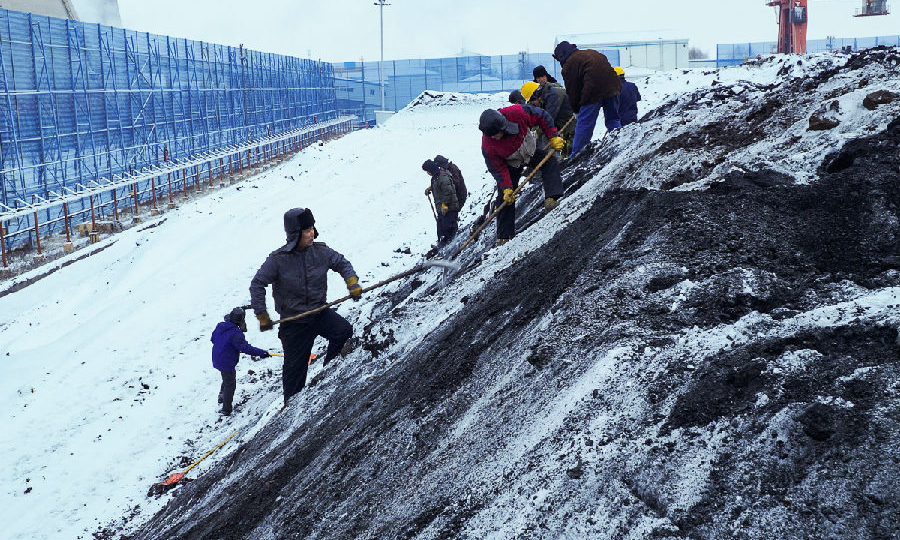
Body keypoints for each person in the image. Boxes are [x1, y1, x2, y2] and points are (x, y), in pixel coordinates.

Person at [250, 207, 362, 408]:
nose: (312, 233)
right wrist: (262, 315)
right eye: (307, 230)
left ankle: (328, 374)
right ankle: (291, 411)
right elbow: (257, 284)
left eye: (312, 228)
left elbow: (342, 263)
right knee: (294, 375)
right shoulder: (278, 260)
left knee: (343, 331)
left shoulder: (321, 252)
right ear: (295, 234)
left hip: (319, 313)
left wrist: (352, 282)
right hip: (294, 324)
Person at [478, 104, 566, 245]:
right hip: (511, 163)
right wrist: (507, 187)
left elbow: (542, 116)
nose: (494, 138)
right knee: (505, 197)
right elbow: (498, 168)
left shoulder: (517, 113)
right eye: (491, 136)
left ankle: (552, 199)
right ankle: (504, 236)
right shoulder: (488, 146)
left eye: (496, 134)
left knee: (549, 162)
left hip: (529, 150)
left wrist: (553, 136)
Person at [552, 41, 622, 156]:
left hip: (593, 90)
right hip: (613, 87)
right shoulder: (591, 53)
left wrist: (576, 110)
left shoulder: (569, 65)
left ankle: (577, 154)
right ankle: (620, 143)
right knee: (613, 119)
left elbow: (572, 91)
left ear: (561, 56)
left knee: (584, 124)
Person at [210, 307, 270, 416]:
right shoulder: (235, 333)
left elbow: (213, 339)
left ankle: (222, 396)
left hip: (217, 356)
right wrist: (261, 353)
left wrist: (228, 346)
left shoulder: (220, 326)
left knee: (226, 377)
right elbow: (246, 348)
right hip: (226, 361)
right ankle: (226, 409)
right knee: (230, 383)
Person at [521, 80, 576, 157]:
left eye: (532, 101)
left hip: (570, 126)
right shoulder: (543, 95)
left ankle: (552, 160)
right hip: (559, 124)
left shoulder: (553, 95)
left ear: (536, 95)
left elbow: (548, 119)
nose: (534, 104)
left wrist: (539, 131)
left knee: (571, 153)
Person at [422, 159, 459, 245]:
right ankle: (443, 244)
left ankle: (453, 243)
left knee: (448, 228)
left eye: (427, 171)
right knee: (440, 229)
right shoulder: (436, 177)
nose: (427, 173)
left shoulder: (443, 177)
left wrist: (445, 205)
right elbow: (437, 184)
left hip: (449, 207)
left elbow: (448, 192)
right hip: (442, 209)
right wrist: (430, 188)